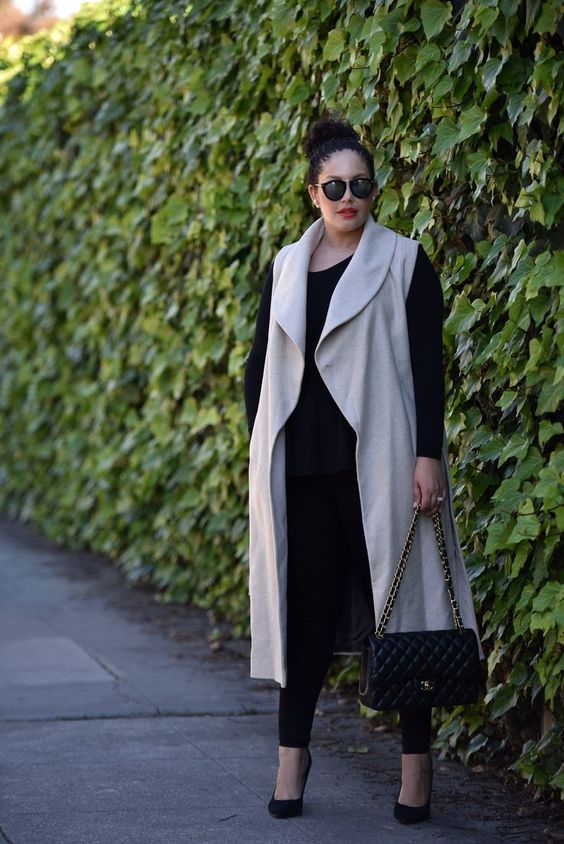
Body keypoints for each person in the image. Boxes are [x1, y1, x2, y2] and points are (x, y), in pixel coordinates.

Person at [244, 115, 483, 824]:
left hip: (379, 461)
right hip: (303, 465)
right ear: (312, 191)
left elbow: (428, 370)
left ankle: (417, 770)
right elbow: (261, 364)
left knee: (403, 612)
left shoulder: (405, 261)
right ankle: (293, 757)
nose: (350, 198)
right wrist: (256, 442)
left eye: (363, 186)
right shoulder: (286, 265)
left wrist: (428, 454)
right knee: (306, 614)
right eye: (336, 186)